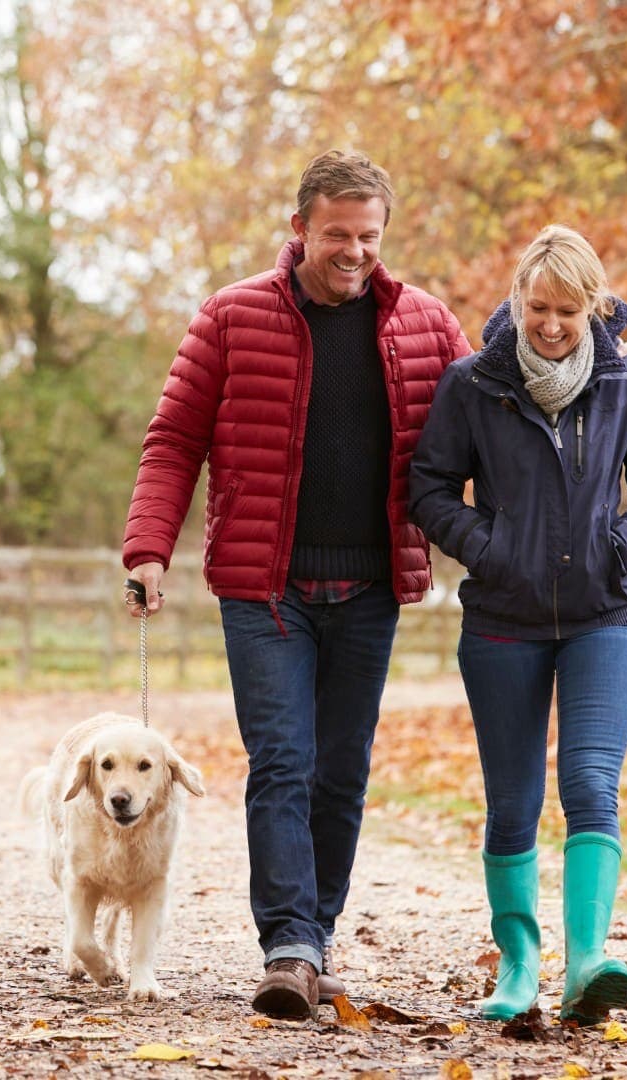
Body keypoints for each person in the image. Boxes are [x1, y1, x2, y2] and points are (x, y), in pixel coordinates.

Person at [122, 150, 470, 1018]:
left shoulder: (426, 326)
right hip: (264, 587)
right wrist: (147, 549)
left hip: (371, 590)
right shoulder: (231, 317)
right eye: (337, 235)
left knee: (341, 770)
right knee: (283, 760)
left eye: (370, 237)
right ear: (300, 228)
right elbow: (173, 441)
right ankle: (287, 944)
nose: (354, 252)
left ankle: (314, 938)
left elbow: (490, 419)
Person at [408, 225, 627, 1024]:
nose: (552, 325)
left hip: (603, 615)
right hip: (502, 620)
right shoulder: (473, 385)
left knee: (593, 785)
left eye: (568, 310)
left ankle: (588, 959)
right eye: (538, 308)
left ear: (594, 307)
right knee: (512, 801)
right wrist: (487, 549)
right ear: (518, 301)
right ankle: (520, 965)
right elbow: (429, 489)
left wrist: (621, 543)